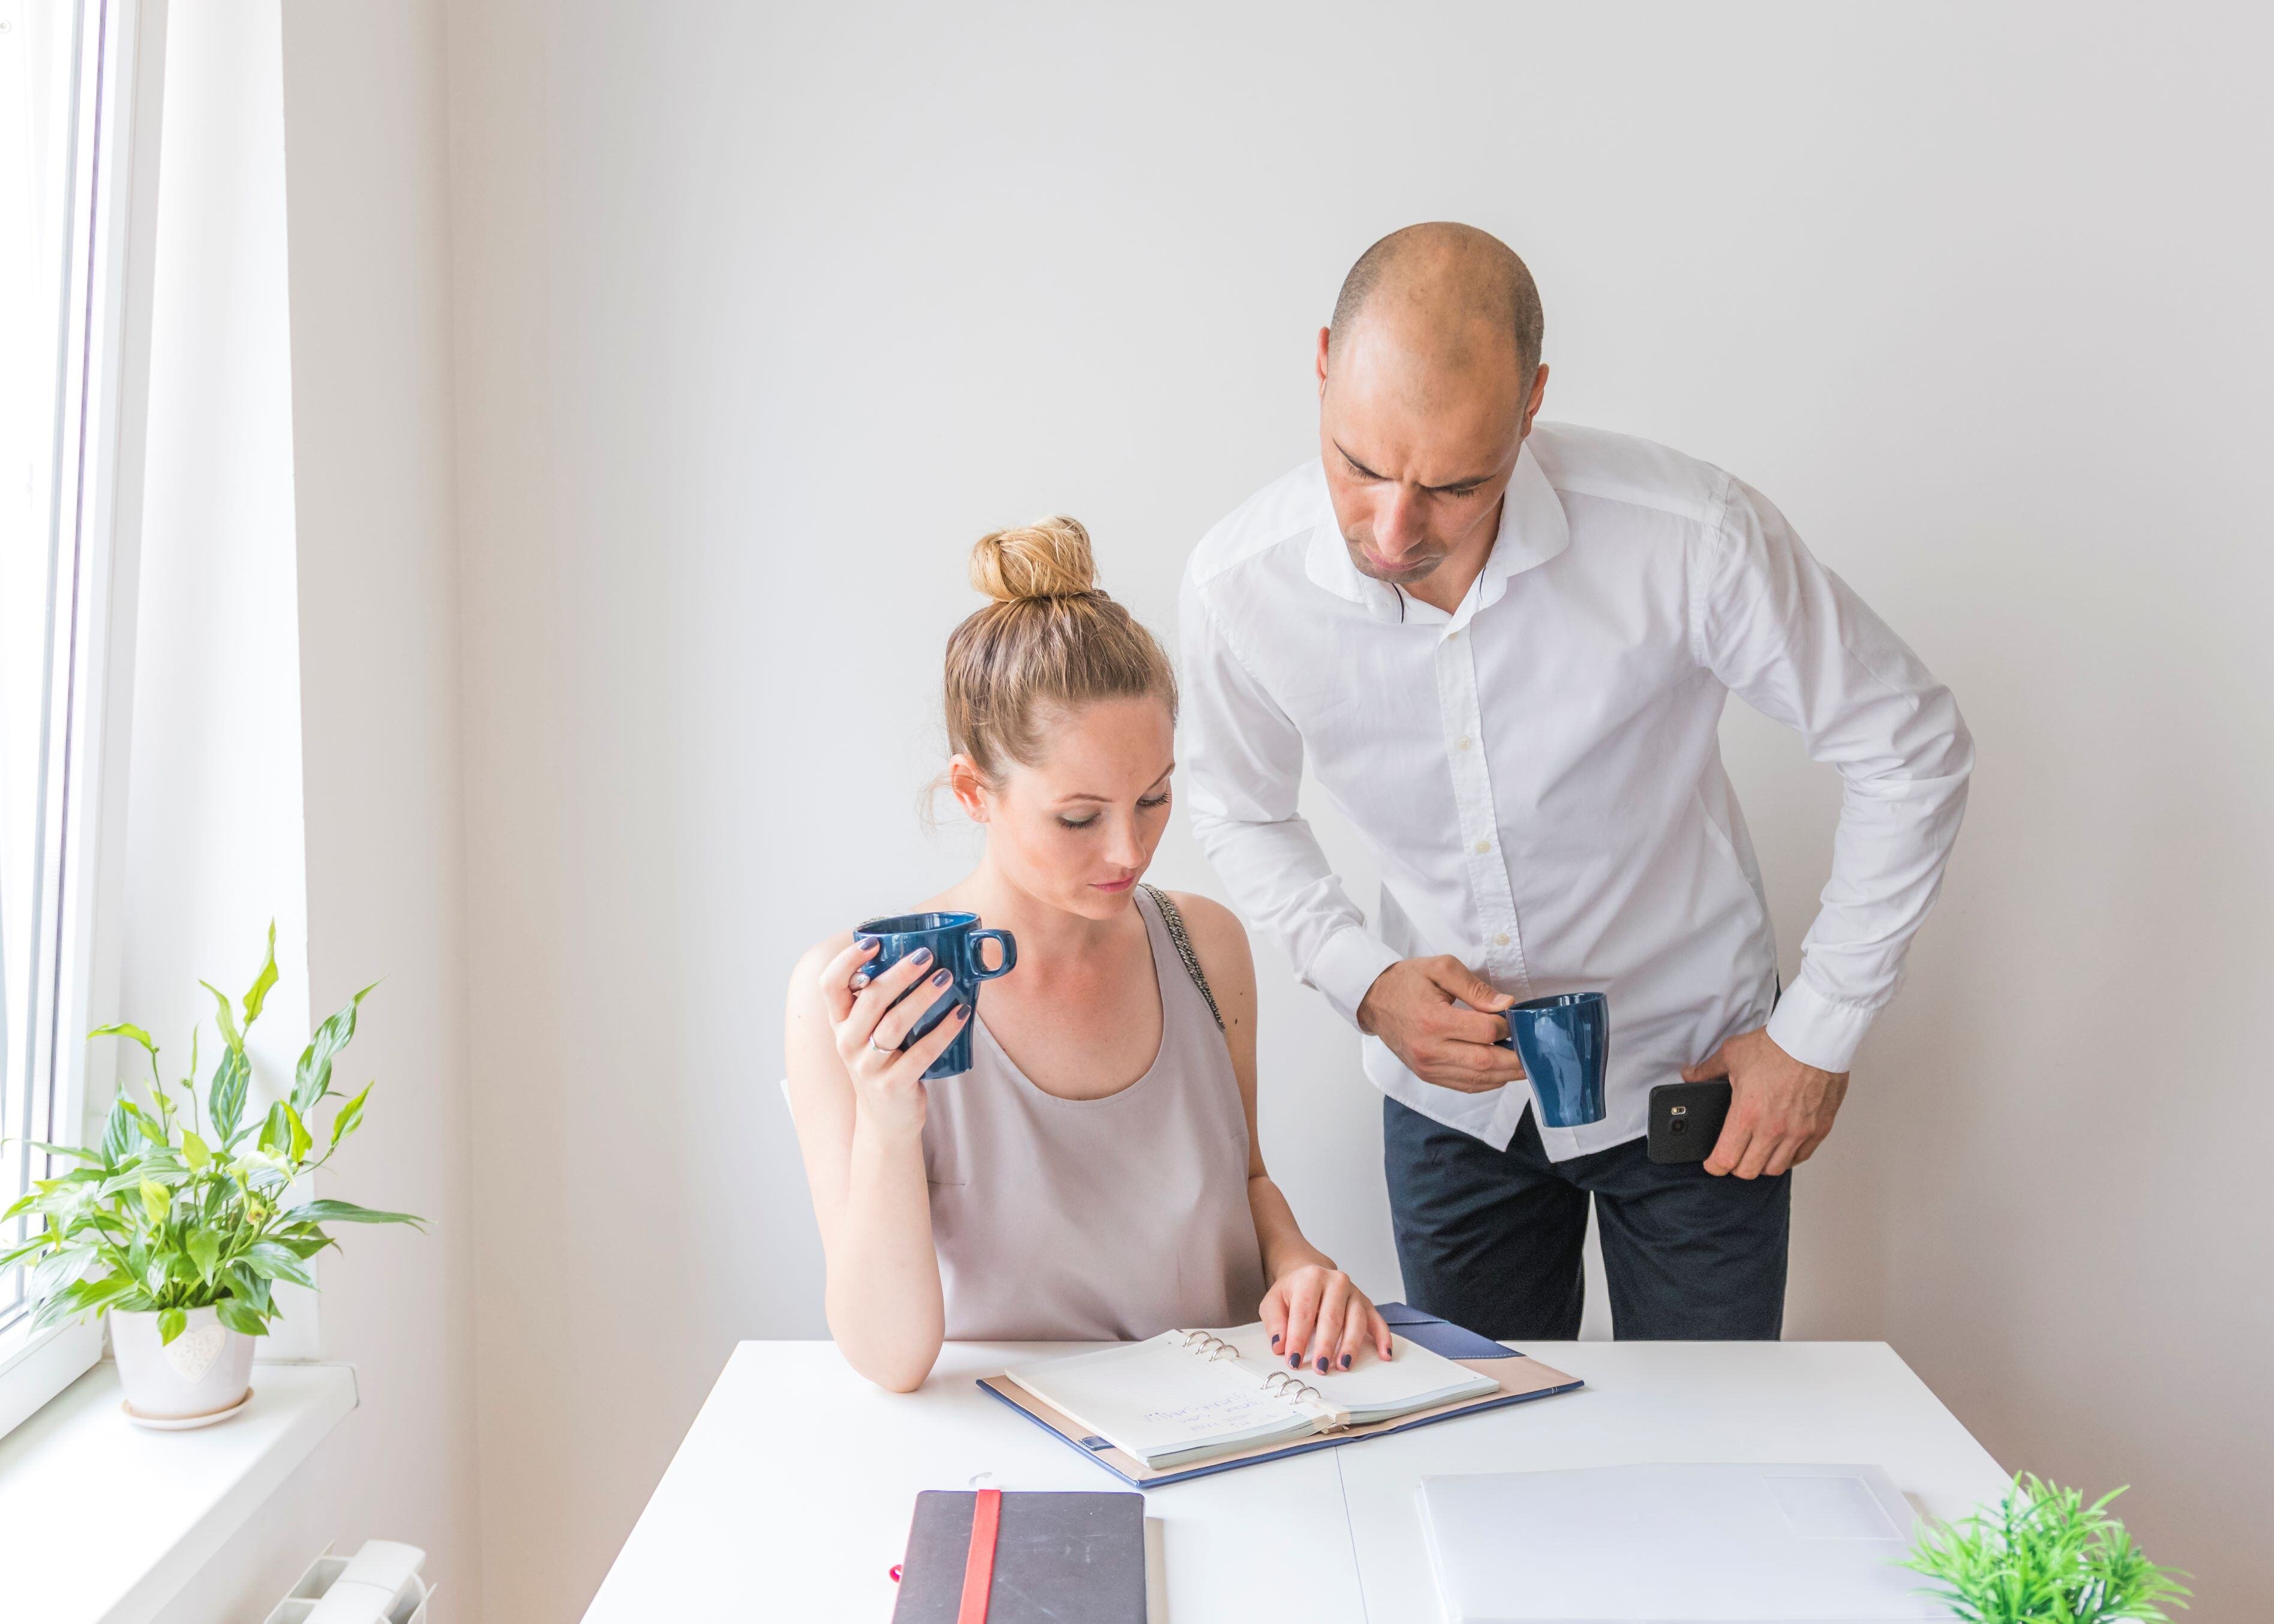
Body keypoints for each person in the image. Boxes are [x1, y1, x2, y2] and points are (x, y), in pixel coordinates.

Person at [1179, 222, 1972, 1340]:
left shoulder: (1693, 538)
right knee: (1488, 1462)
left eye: (1456, 484)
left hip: (1696, 1087)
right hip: (1451, 1104)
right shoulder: (1238, 585)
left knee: (1709, 1457)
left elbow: (1911, 745)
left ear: (1532, 403)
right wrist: (1362, 979)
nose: (1395, 530)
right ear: (1321, 364)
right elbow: (1236, 804)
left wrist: (1818, 1035)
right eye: (1359, 466)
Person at [785, 517, 1393, 1391]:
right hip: (1010, 1447)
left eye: (1153, 799)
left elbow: (1246, 1179)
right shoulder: (849, 992)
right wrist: (887, 1123)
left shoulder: (1202, 945)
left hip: (1227, 1427)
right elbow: (891, 1360)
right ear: (973, 792)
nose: (1129, 852)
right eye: (1080, 817)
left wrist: (1299, 1263)